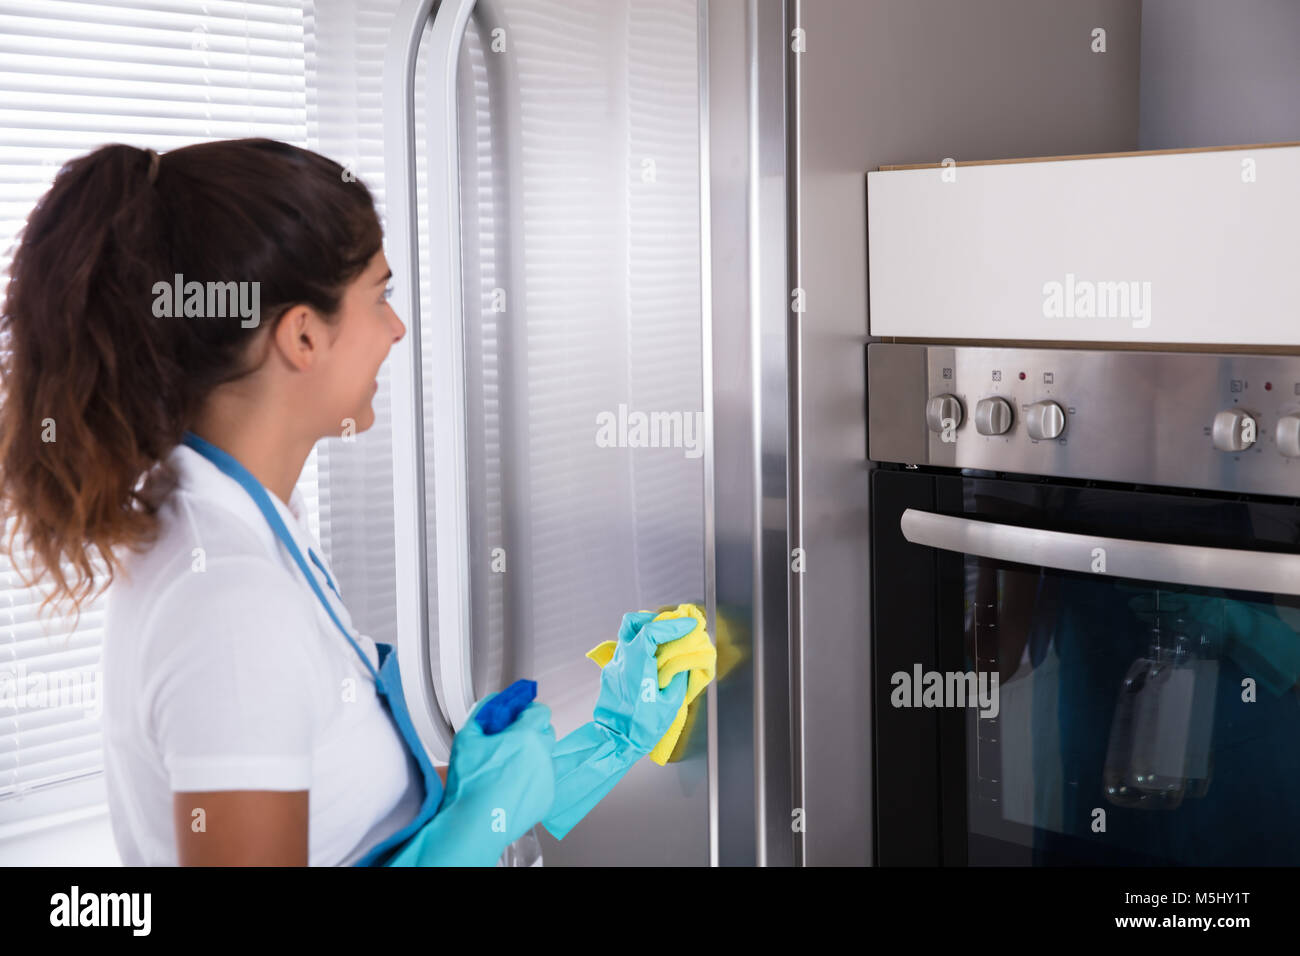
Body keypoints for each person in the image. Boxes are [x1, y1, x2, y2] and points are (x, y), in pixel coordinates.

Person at [0, 138, 691, 866]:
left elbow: (348, 824)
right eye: (380, 294)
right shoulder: (229, 602)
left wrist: (595, 744)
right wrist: (478, 821)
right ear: (303, 334)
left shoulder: (244, 531)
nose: (395, 329)